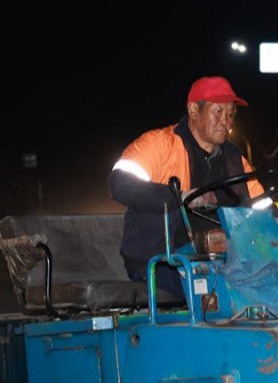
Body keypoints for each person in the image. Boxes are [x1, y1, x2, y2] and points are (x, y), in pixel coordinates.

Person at [108, 76, 263, 297]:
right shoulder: (159, 144)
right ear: (193, 110)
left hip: (217, 261)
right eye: (217, 111)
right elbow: (119, 184)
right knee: (218, 297)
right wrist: (179, 197)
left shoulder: (234, 158)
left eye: (231, 114)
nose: (226, 121)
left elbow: (259, 206)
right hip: (160, 262)